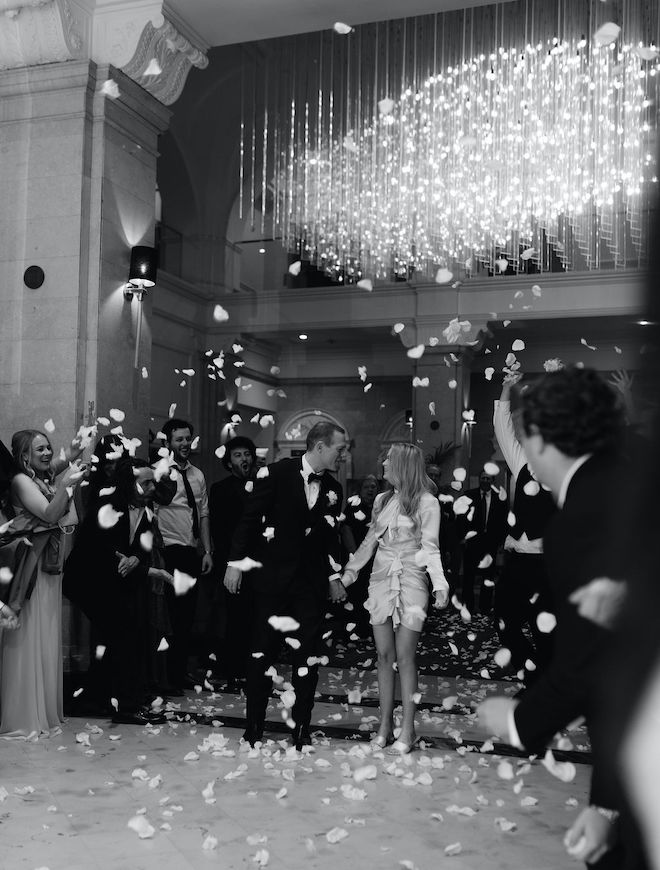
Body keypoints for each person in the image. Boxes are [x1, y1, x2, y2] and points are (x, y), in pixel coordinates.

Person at [477, 366, 629, 869]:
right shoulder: (628, 476)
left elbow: (597, 660)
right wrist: (606, 801)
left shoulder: (579, 521)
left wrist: (521, 721)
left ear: (541, 437)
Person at [224, 421, 347, 750]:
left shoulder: (334, 488)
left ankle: (301, 729)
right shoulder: (275, 474)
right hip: (271, 584)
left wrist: (334, 576)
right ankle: (254, 727)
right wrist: (234, 564)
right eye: (339, 448)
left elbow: (330, 538)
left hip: (309, 587)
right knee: (260, 656)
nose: (343, 455)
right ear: (320, 446)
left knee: (306, 659)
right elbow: (248, 520)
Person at [340, 443, 449, 754]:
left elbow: (431, 547)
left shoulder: (427, 503)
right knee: (384, 656)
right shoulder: (382, 499)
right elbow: (369, 541)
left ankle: (408, 729)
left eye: (388, 459)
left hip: (413, 580)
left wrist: (440, 584)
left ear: (402, 465)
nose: (383, 463)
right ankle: (385, 725)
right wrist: (350, 573)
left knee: (405, 656)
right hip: (380, 579)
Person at [64, 457, 173, 724]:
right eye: (145, 482)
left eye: (152, 480)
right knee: (125, 639)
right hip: (90, 583)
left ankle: (94, 700)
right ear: (128, 483)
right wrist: (150, 571)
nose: (151, 487)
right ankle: (126, 707)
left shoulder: (146, 508)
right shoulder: (106, 506)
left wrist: (137, 558)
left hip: (117, 583)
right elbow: (102, 553)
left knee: (116, 641)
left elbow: (141, 545)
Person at [0, 429, 86, 739]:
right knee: (28, 636)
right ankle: (24, 714)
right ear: (24, 456)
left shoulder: (40, 478)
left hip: (48, 567)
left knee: (46, 634)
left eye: (49, 447)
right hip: (30, 566)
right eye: (40, 449)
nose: (48, 453)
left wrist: (73, 454)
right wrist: (66, 485)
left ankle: (46, 710)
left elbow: (55, 472)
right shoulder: (22, 481)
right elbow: (50, 512)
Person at [492, 374, 557, 684]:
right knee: (504, 622)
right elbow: (503, 430)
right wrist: (506, 389)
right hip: (518, 560)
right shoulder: (522, 463)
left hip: (548, 564)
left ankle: (543, 681)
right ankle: (533, 670)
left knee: (544, 628)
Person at [156, 418, 212, 691]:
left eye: (187, 438)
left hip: (190, 550)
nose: (185, 444)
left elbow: (203, 515)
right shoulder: (158, 472)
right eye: (179, 439)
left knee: (187, 616)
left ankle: (180, 672)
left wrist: (207, 550)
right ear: (167, 443)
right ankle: (164, 677)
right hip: (167, 550)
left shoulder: (197, 475)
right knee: (168, 617)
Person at [208, 436, 257, 690]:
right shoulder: (221, 489)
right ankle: (230, 667)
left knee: (252, 616)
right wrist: (232, 562)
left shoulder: (262, 484)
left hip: (257, 562)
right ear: (229, 462)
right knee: (231, 616)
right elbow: (220, 529)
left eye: (247, 454)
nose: (244, 459)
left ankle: (249, 667)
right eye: (238, 455)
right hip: (230, 561)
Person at [456, 470, 507, 613]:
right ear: (479, 479)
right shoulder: (468, 495)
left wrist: (500, 543)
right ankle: (468, 606)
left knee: (488, 576)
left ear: (493, 481)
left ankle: (485, 607)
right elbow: (461, 519)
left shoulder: (499, 499)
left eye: (488, 479)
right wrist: (462, 538)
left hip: (490, 543)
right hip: (471, 543)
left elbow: (503, 523)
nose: (485, 480)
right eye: (483, 478)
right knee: (468, 577)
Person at [340, 474, 379, 638]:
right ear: (360, 489)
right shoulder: (353, 505)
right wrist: (356, 557)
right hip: (355, 556)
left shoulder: (379, 507)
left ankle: (368, 627)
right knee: (356, 593)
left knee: (371, 593)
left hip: (375, 560)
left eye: (373, 487)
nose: (370, 490)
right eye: (367, 487)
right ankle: (353, 628)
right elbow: (345, 529)